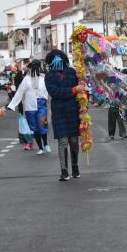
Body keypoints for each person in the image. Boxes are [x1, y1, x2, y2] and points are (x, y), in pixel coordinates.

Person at [45, 50, 82, 181]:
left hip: (72, 110)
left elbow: (80, 88)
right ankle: (64, 170)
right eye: (55, 60)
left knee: (73, 140)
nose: (57, 62)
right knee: (63, 141)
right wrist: (72, 90)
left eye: (59, 59)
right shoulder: (48, 76)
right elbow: (54, 92)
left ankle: (75, 166)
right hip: (59, 112)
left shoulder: (73, 72)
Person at [7, 60, 51, 154]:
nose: (34, 68)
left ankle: (46, 143)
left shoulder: (44, 79)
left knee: (42, 125)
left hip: (41, 105)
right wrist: (12, 104)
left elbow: (50, 91)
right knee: (34, 128)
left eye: (36, 66)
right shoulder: (26, 79)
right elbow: (19, 92)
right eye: (32, 66)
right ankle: (40, 147)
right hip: (30, 106)